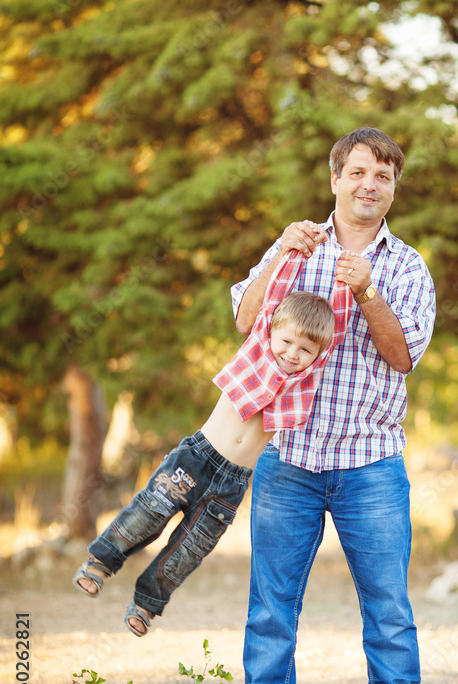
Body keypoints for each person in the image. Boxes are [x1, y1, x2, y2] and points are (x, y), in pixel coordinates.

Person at [233, 127, 438, 684]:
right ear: (335, 180)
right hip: (288, 457)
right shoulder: (297, 245)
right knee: (272, 608)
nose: (369, 185)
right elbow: (244, 320)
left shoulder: (406, 266)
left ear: (393, 189)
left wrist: (367, 290)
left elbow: (402, 356)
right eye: (358, 172)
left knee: (388, 608)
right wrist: (277, 255)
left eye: (383, 176)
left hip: (371, 462)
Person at [72, 248, 353, 636]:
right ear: (271, 331)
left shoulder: (306, 382)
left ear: (317, 355)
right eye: (287, 341)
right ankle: (101, 563)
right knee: (150, 512)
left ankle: (146, 604)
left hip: (233, 484)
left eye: (305, 350)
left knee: (191, 548)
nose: (293, 354)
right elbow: (274, 294)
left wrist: (345, 282)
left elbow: (336, 328)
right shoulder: (257, 352)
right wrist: (291, 252)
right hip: (196, 459)